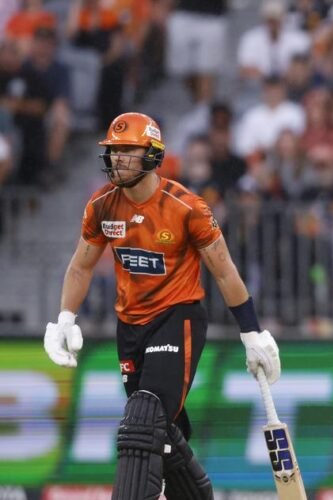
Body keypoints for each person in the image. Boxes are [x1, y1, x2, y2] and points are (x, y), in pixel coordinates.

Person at [42, 112, 281, 499]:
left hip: (177, 317)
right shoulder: (102, 205)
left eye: (127, 149)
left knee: (142, 417)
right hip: (129, 326)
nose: (117, 158)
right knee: (162, 433)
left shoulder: (187, 207)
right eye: (113, 150)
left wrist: (251, 333)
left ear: (152, 154)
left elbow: (224, 271)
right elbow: (81, 266)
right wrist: (65, 319)